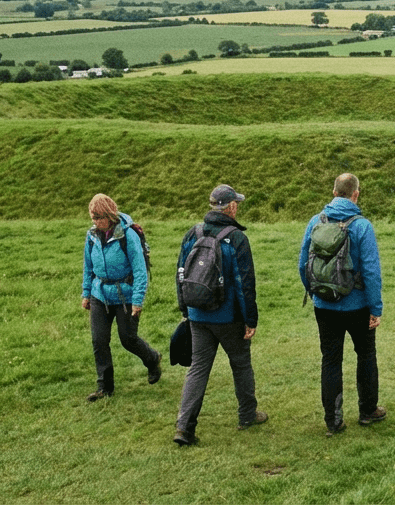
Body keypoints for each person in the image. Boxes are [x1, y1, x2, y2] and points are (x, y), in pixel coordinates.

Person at [173, 185, 264, 446]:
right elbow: (245, 283)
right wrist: (250, 320)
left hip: (198, 315)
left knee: (198, 369)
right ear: (231, 207)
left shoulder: (193, 232)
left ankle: (184, 427)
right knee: (241, 364)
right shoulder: (236, 238)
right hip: (229, 318)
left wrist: (185, 310)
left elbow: (180, 273)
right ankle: (247, 415)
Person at [299, 173, 385, 436]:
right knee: (366, 355)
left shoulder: (316, 221)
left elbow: (303, 263)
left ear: (334, 191)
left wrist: (314, 291)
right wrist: (375, 308)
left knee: (331, 361)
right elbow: (371, 271)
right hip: (358, 306)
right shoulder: (362, 226)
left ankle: (333, 421)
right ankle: (368, 411)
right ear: (356, 194)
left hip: (324, 306)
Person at [81, 193, 161, 402]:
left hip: (125, 295)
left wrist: (138, 300)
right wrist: (86, 293)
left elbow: (140, 269)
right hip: (100, 294)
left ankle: (152, 359)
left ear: (110, 215)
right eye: (93, 218)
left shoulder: (128, 235)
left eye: (100, 218)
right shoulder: (91, 236)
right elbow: (88, 267)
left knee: (128, 339)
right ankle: (104, 387)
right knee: (99, 340)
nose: (97, 222)